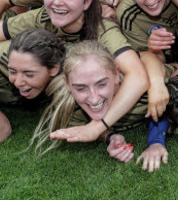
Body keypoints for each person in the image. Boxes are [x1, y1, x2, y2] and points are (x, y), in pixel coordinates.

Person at [0, 0, 149, 143]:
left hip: (95, 90)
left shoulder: (103, 29)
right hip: (62, 81)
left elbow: (138, 77)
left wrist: (97, 128)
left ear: (87, 2)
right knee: (7, 52)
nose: (58, 2)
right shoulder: (43, 16)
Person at [31, 40, 165, 172]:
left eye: (101, 84)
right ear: (67, 84)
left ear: (117, 74)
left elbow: (148, 58)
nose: (94, 99)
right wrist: (110, 136)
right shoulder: (67, 107)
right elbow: (85, 129)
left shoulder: (148, 93)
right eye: (81, 88)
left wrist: (156, 142)